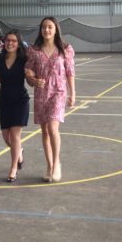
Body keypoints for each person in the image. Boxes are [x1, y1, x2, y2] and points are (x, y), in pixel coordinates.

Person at [25, 16, 76, 183]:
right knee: (45, 131)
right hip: (41, 93)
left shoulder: (65, 49)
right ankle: (49, 165)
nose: (46, 30)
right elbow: (29, 72)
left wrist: (73, 93)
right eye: (44, 27)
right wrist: (33, 79)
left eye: (50, 27)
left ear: (55, 30)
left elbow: (70, 72)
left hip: (58, 92)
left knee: (53, 128)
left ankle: (56, 165)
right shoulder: (34, 50)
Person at [0, 30, 29, 183]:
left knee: (15, 136)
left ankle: (13, 168)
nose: (10, 43)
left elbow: (31, 74)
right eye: (8, 40)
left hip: (20, 100)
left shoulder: (24, 59)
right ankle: (19, 153)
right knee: (6, 137)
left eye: (14, 41)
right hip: (4, 100)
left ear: (18, 44)